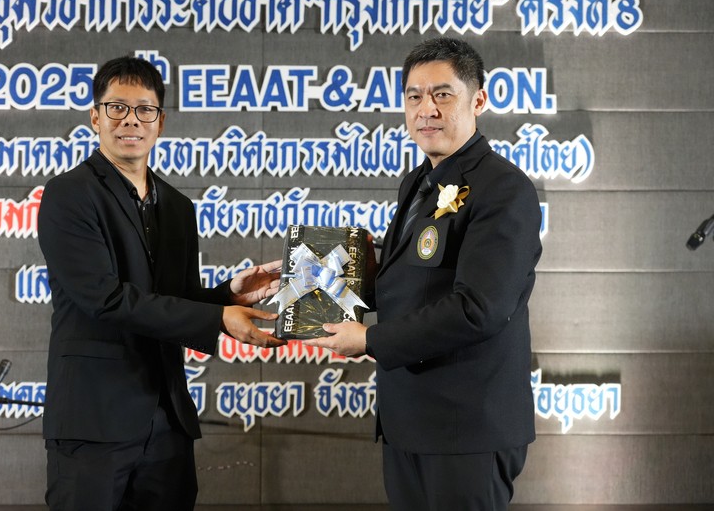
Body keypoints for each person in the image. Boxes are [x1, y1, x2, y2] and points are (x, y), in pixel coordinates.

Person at [37, 56, 286, 511]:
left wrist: (228, 293)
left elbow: (174, 302)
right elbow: (105, 299)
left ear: (160, 122)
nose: (131, 120)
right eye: (117, 108)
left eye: (144, 109)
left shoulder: (178, 207)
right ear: (95, 117)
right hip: (94, 422)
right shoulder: (68, 194)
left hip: (168, 424)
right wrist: (219, 317)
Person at [304, 37, 543, 509]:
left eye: (442, 94)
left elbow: (479, 309)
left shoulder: (503, 189)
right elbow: (415, 284)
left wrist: (371, 339)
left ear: (478, 100)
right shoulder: (417, 182)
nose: (425, 109)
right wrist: (325, 277)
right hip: (410, 422)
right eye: (414, 96)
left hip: (466, 428)